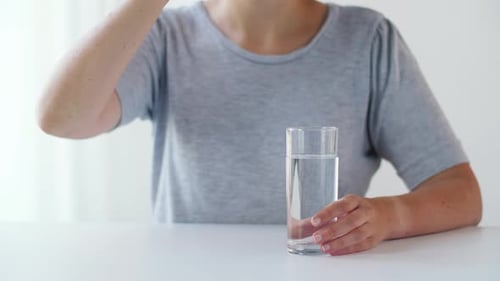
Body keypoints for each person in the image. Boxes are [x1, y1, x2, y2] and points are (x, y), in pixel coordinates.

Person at [37, 0, 482, 256]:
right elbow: (61, 118)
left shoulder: (368, 41)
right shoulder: (166, 36)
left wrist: (388, 216)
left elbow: (460, 193)